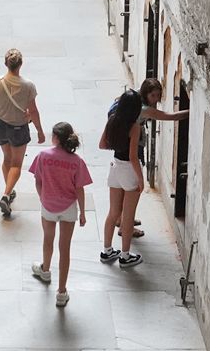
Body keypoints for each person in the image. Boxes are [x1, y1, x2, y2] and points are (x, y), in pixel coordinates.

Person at [97, 79, 186, 267]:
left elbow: (102, 144)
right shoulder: (135, 127)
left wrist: (118, 144)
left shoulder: (113, 121)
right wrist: (140, 179)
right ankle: (125, 256)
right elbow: (133, 157)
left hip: (115, 167)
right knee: (128, 217)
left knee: (113, 213)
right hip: (128, 170)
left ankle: (106, 251)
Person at [29, 122, 93, 307]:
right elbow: (79, 188)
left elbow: (38, 181)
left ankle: (45, 270)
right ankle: (62, 292)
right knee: (65, 248)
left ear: (55, 138)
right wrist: (82, 212)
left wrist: (43, 198)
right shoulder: (77, 161)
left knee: (48, 240)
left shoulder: (43, 156)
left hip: (48, 206)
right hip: (69, 208)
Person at [0, 49, 43, 217]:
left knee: (7, 159)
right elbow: (33, 111)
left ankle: (8, 191)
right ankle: (6, 193)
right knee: (16, 163)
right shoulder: (28, 86)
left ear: (6, 64)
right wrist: (40, 131)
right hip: (19, 128)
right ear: (21, 64)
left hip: (1, 126)